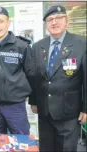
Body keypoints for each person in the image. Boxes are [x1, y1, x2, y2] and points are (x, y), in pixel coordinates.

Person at [30, 5, 86, 151]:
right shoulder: (37, 47)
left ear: (67, 21)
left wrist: (85, 109)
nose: (54, 22)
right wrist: (34, 101)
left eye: (59, 18)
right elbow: (34, 77)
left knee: (66, 148)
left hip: (69, 111)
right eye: (50, 20)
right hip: (44, 111)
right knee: (46, 147)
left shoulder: (81, 44)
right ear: (46, 25)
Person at [0, 6, 35, 134]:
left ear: (8, 22)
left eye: (1, 21)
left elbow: (32, 75)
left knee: (21, 143)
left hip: (16, 107)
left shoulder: (22, 46)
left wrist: (35, 101)